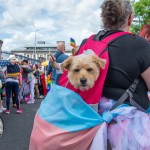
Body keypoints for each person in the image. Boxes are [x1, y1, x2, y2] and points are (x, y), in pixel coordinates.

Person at [30, 0, 150, 149]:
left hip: (88, 121)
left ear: (103, 19)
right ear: (130, 18)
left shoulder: (88, 42)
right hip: (128, 126)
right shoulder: (140, 45)